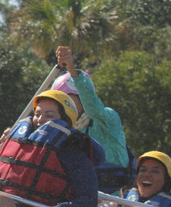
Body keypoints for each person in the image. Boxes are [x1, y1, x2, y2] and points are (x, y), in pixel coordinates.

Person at [0, 90, 99, 207]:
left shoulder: (71, 150)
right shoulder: (18, 138)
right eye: (37, 114)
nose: (40, 119)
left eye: (49, 115)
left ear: (64, 120)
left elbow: (89, 198)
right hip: (4, 201)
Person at [53, 46, 135, 193]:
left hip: (114, 199)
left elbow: (93, 108)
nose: (63, 107)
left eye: (68, 100)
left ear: (82, 98)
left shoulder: (107, 118)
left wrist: (72, 71)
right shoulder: (62, 131)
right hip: (83, 198)